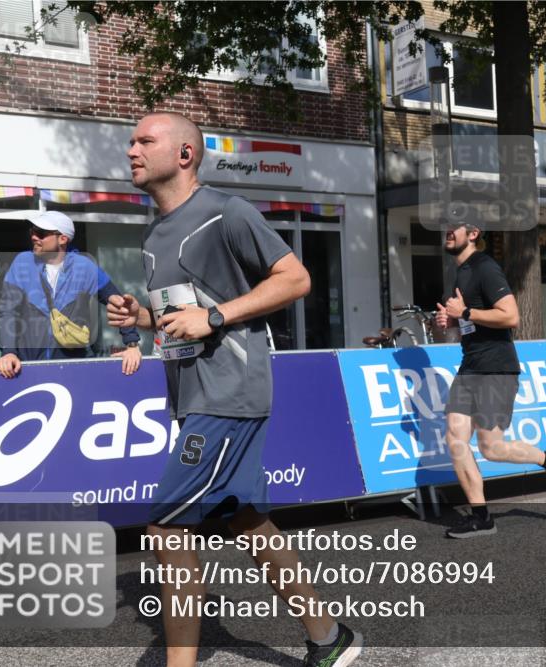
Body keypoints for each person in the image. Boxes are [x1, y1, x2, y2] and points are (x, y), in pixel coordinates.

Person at [107, 112, 360, 667]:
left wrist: (216, 316)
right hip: (193, 394)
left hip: (230, 390)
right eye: (131, 141)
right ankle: (328, 637)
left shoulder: (227, 212)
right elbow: (179, 315)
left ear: (184, 155)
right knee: (244, 517)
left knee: (167, 526)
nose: (132, 149)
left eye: (145, 140)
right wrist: (141, 316)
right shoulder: (154, 232)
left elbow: (296, 279)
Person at [436, 221, 546, 539]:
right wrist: (449, 322)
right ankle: (481, 517)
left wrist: (467, 313)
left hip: (496, 368)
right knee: (454, 439)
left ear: (473, 233)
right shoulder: (456, 273)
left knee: (492, 448)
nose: (447, 230)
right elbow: (462, 324)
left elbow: (510, 316)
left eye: (454, 226)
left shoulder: (485, 267)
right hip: (470, 366)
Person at [0, 210, 142, 378]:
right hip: (28, 367)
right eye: (32, 232)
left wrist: (131, 345)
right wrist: (8, 352)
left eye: (41, 233)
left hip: (75, 367)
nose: (34, 237)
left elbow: (120, 305)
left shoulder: (85, 267)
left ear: (63, 239)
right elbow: (8, 312)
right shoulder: (22, 262)